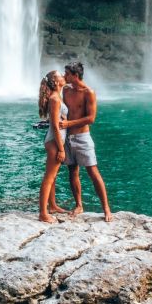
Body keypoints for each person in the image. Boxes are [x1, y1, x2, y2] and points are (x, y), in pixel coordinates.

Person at [59, 61, 113, 222]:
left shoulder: (89, 92)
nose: (64, 76)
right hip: (67, 137)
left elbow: (91, 118)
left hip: (82, 138)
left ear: (75, 75)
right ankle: (79, 205)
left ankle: (106, 208)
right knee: (72, 171)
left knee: (93, 172)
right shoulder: (66, 90)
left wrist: (68, 123)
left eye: (67, 73)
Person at [37, 70, 69, 223]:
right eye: (60, 75)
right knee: (49, 177)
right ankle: (43, 213)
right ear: (56, 82)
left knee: (53, 177)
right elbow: (55, 127)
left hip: (55, 141)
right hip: (54, 142)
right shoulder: (55, 99)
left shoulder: (57, 97)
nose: (64, 76)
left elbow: (55, 119)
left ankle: (53, 206)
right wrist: (61, 149)